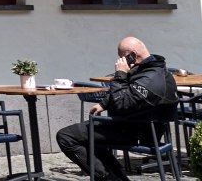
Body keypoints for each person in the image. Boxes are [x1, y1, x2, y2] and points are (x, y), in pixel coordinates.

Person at [55, 36, 180, 181]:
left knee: (66, 136)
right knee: (91, 140)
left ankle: (109, 178)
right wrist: (104, 104)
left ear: (132, 54)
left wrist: (120, 73)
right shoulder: (153, 69)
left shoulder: (150, 78)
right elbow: (129, 91)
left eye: (122, 57)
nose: (121, 61)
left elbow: (121, 103)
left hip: (135, 131)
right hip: (138, 125)